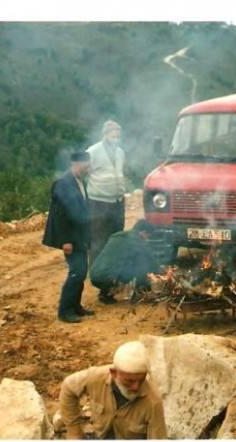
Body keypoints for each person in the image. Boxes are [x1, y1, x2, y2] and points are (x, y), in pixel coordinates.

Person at [59, 341, 167, 439]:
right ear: (114, 373)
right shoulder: (96, 377)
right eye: (129, 381)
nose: (136, 387)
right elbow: (68, 387)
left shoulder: (153, 402)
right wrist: (74, 431)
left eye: (141, 380)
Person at [42, 151, 93, 323]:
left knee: (82, 271)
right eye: (86, 166)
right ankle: (65, 311)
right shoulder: (63, 184)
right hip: (70, 237)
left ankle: (76, 306)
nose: (88, 169)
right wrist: (65, 241)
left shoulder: (80, 181)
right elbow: (60, 215)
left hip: (80, 235)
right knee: (76, 272)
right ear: (76, 164)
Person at [86, 119, 127, 305]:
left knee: (116, 241)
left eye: (118, 134)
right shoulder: (92, 152)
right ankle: (100, 282)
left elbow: (119, 173)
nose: (115, 137)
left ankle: (113, 285)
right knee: (99, 242)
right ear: (105, 134)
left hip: (117, 201)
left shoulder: (120, 153)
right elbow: (84, 172)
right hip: (98, 203)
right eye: (112, 134)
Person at [90, 219, 157, 301]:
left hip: (94, 275)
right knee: (141, 265)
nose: (147, 239)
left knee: (122, 264)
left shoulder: (116, 235)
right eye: (148, 236)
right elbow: (150, 260)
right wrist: (162, 272)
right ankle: (141, 293)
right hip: (107, 279)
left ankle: (105, 294)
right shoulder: (137, 241)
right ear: (143, 232)